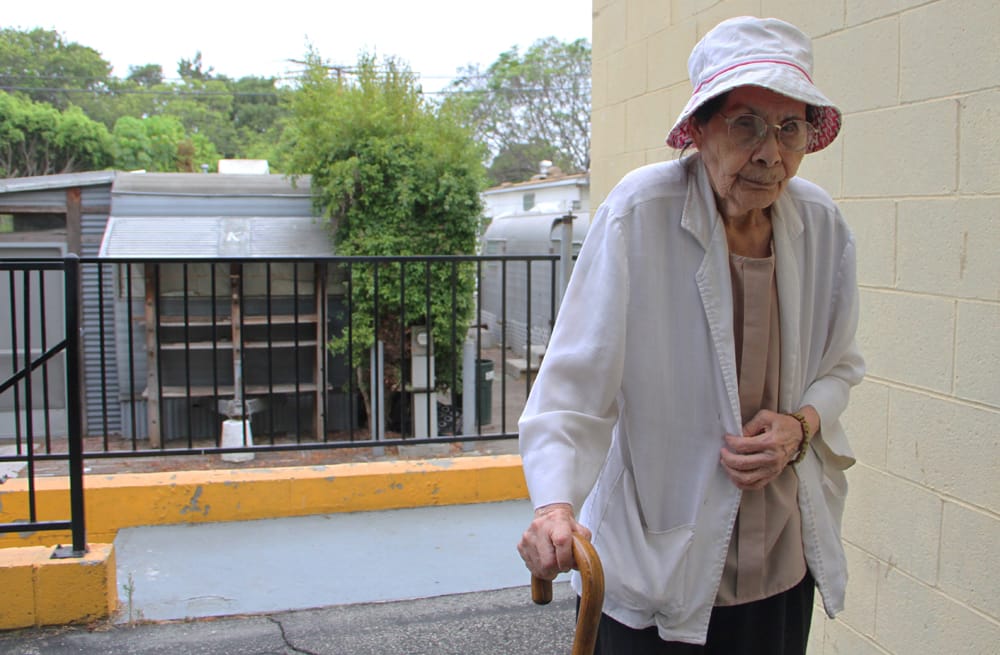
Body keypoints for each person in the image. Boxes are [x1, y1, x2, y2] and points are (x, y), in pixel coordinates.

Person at [517, 16, 865, 654]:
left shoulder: (821, 223)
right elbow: (575, 385)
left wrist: (801, 426)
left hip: (782, 561)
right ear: (699, 130)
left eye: (790, 127)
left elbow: (841, 367)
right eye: (746, 124)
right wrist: (554, 506)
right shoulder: (640, 213)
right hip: (657, 566)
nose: (771, 152)